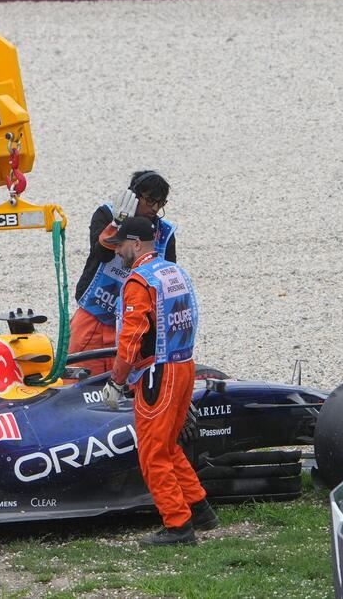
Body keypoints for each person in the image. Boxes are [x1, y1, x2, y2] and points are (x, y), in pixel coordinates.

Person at [99, 216, 216, 545]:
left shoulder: (138, 282)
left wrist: (116, 381)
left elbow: (131, 339)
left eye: (121, 244)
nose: (118, 251)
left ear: (136, 244)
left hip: (157, 374)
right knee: (169, 446)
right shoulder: (175, 272)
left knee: (153, 453)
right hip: (184, 366)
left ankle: (178, 526)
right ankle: (200, 509)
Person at [71, 170, 176, 374]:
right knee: (76, 380)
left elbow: (166, 281)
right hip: (94, 315)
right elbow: (101, 253)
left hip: (135, 323)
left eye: (160, 203)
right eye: (150, 200)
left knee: (127, 390)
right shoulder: (105, 215)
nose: (154, 208)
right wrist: (117, 224)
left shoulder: (165, 234)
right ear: (133, 196)